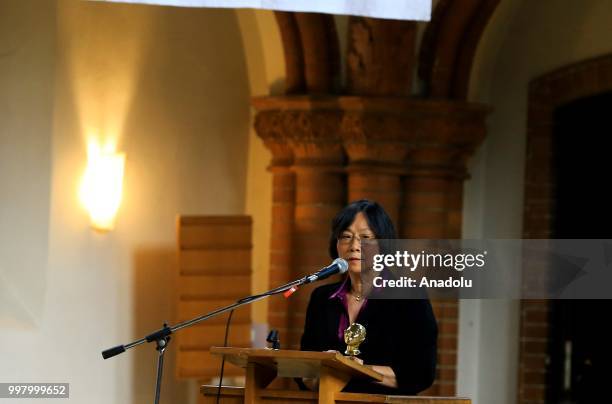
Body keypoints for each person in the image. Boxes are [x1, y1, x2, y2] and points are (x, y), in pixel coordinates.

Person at [299, 199, 438, 395]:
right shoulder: (322, 298)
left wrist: (355, 370)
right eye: (346, 236)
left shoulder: (409, 297)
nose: (354, 246)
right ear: (336, 244)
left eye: (366, 237)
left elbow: (420, 373)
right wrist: (314, 373)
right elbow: (305, 366)